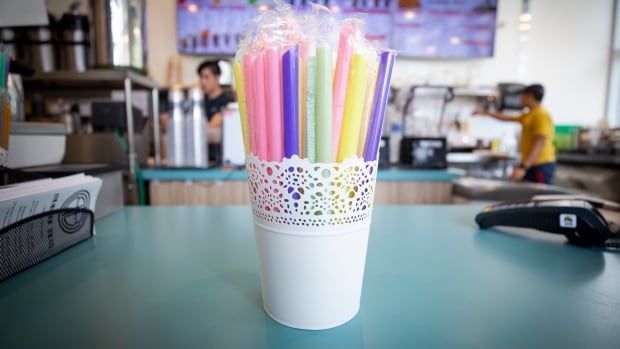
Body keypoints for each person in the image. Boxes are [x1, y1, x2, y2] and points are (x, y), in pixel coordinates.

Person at [474, 84, 556, 184]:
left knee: (539, 196)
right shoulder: (530, 114)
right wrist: (485, 112)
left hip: (540, 165)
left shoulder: (541, 115)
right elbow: (506, 118)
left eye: (522, 96)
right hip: (531, 164)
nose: (520, 99)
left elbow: (539, 143)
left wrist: (523, 167)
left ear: (530, 96)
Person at [197, 60, 235, 128]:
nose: (203, 82)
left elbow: (213, 125)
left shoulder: (227, 102)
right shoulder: (199, 100)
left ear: (217, 78)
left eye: (206, 77)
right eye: (201, 77)